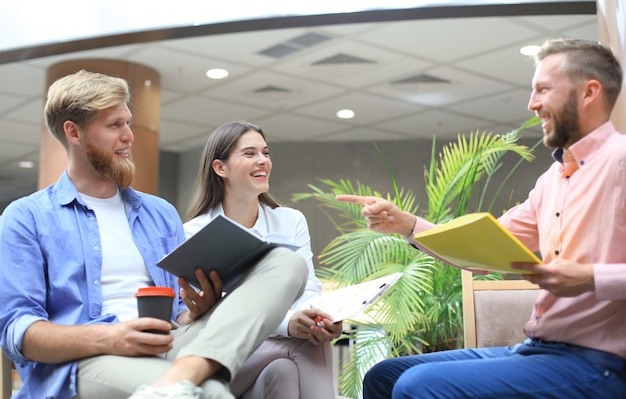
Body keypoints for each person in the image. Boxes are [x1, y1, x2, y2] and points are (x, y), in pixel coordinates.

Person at [336, 38, 626, 399]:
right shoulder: (551, 180)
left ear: (589, 92)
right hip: (539, 350)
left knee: (416, 385)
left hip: (600, 364)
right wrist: (407, 225)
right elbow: (480, 250)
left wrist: (592, 278)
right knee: (385, 375)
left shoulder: (621, 161)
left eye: (543, 89)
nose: (532, 103)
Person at [0, 70, 308, 399]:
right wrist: (111, 338)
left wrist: (196, 309)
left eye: (128, 123)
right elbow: (18, 333)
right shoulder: (26, 217)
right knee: (211, 392)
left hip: (169, 343)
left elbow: (179, 313)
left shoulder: (159, 214)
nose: (129, 136)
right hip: (86, 361)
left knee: (286, 263)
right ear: (74, 132)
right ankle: (181, 380)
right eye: (114, 125)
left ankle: (178, 377)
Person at [183, 120, 343, 399]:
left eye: (265, 153)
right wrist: (291, 324)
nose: (263, 161)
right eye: (250, 154)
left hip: (271, 355)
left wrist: (316, 320)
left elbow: (307, 289)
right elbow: (220, 310)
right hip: (219, 356)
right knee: (306, 345)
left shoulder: (290, 220)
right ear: (221, 168)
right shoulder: (194, 233)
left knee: (283, 372)